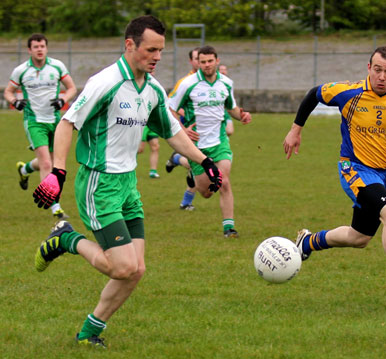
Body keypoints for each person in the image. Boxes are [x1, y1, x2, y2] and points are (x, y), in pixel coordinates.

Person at [31, 15, 222, 348]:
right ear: (130, 45)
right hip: (99, 184)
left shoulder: (152, 89)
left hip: (128, 185)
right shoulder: (105, 82)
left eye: (161, 51)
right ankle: (66, 239)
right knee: (122, 266)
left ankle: (89, 333)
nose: (157, 57)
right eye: (151, 50)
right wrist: (58, 172)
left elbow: (172, 131)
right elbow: (66, 124)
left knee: (136, 269)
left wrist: (203, 159)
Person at [283, 46, 386, 305]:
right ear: (369, 68)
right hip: (353, 169)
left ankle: (307, 242)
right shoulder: (349, 92)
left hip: (382, 175)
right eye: (377, 69)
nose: (381, 76)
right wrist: (295, 129)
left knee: (359, 238)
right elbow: (314, 94)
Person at [169, 45, 251, 238]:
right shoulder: (187, 84)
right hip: (196, 146)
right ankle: (182, 159)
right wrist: (183, 130)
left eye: (209, 61)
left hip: (219, 141)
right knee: (206, 192)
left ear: (217, 61)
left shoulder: (226, 83)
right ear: (198, 62)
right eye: (202, 62)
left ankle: (229, 228)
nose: (206, 65)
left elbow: (231, 108)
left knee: (224, 182)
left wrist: (242, 115)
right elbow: (170, 110)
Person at [4, 33, 77, 220]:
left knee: (50, 161)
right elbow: (8, 91)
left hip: (55, 120)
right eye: (35, 47)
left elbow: (72, 88)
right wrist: (15, 101)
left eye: (42, 46)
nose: (39, 49)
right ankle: (55, 206)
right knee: (46, 163)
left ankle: (25, 169)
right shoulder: (21, 70)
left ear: (46, 48)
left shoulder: (57, 66)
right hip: (34, 121)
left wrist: (63, 100)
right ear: (29, 50)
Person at [165, 47, 200, 210]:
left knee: (200, 166)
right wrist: (182, 124)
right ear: (191, 61)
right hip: (189, 129)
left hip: (208, 132)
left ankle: (186, 202)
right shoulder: (185, 82)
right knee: (199, 165)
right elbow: (169, 104)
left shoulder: (210, 80)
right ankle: (177, 158)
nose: (200, 62)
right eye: (197, 59)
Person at [218, 64, 234, 137]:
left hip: (226, 111)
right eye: (221, 70)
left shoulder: (229, 82)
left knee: (230, 131)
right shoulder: (215, 82)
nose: (223, 71)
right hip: (217, 111)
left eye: (225, 70)